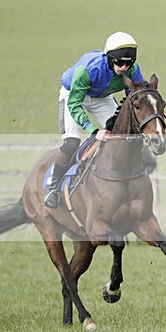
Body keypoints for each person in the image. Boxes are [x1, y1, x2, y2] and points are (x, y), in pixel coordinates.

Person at [43, 31, 144, 208]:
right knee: (72, 142)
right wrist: (94, 130)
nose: (124, 68)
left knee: (118, 135)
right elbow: (74, 104)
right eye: (119, 63)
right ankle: (53, 186)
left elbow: (136, 98)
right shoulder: (89, 69)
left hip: (102, 98)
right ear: (109, 59)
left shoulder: (133, 70)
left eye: (129, 64)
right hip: (74, 95)